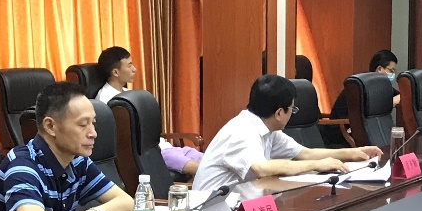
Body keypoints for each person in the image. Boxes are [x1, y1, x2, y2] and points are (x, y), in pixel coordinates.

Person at [0, 82, 135, 211]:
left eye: (93, 123)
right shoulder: (22, 164)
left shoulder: (78, 161)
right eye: (83, 125)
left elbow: (125, 201)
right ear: (50, 126)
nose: (93, 133)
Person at [193, 74, 382, 199]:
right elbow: (262, 169)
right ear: (278, 113)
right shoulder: (241, 131)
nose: (292, 113)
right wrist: (316, 165)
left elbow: (304, 153)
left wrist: (352, 153)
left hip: (238, 204)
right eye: (292, 109)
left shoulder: (268, 129)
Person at [95, 46, 202, 178]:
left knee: (205, 159)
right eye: (129, 65)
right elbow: (119, 138)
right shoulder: (107, 100)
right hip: (151, 154)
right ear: (116, 72)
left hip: (162, 146)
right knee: (202, 170)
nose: (134, 69)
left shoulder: (129, 93)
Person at [323, 50, 401, 146]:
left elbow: (402, 96)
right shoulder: (362, 86)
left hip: (359, 130)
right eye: (391, 71)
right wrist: (389, 103)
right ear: (380, 69)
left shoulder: (382, 86)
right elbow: (365, 110)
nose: (393, 75)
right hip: (341, 132)